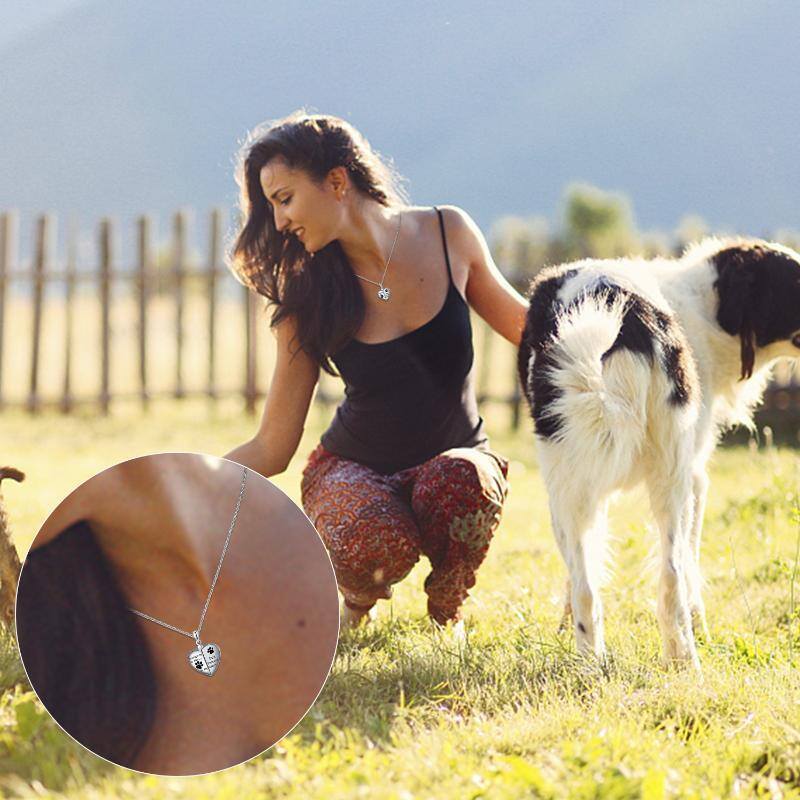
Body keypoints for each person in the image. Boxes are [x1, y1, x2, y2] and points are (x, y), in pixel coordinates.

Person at [226, 111, 528, 629]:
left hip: (453, 464)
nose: (278, 223)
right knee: (367, 533)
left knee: (464, 480)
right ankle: (356, 601)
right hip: (354, 467)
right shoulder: (308, 295)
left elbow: (530, 331)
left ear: (337, 182)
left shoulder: (447, 232)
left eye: (284, 199)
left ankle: (447, 611)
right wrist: (182, 484)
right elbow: (273, 448)